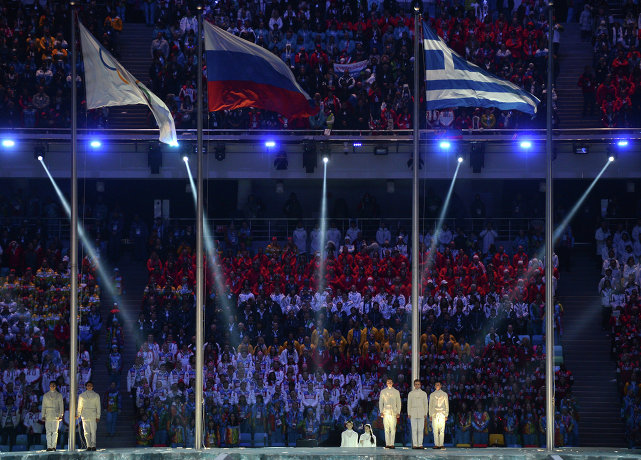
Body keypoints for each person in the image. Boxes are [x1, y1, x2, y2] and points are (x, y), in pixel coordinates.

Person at [77, 381, 101, 451]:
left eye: (90, 385)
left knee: (93, 431)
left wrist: (98, 416)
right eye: (88, 385)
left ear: (92, 386)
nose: (89, 387)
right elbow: (79, 406)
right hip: (85, 415)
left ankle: (93, 445)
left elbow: (98, 407)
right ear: (86, 386)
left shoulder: (96, 395)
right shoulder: (82, 395)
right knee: (86, 432)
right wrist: (78, 414)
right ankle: (88, 445)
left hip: (93, 415)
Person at [378, 378, 401, 448]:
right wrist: (381, 411)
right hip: (386, 412)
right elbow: (381, 402)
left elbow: (399, 403)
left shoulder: (396, 392)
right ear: (386, 383)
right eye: (388, 382)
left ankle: (392, 444)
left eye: (391, 382)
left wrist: (398, 412)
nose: (389, 383)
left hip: (393, 412)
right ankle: (387, 444)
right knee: (386, 429)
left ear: (393, 383)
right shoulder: (383, 391)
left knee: (393, 428)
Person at [42, 380, 64, 451]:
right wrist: (43, 415)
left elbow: (61, 406)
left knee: (55, 431)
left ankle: (54, 446)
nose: (52, 386)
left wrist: (61, 415)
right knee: (48, 431)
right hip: (48, 415)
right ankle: (49, 446)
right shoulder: (45, 395)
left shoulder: (59, 395)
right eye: (51, 385)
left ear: (56, 386)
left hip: (56, 415)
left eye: (54, 385)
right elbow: (43, 406)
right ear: (49, 386)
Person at [407, 378, 428, 449]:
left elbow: (426, 404)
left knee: (420, 429)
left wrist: (425, 413)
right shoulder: (411, 393)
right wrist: (409, 413)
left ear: (420, 385)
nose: (417, 385)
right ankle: (415, 444)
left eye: (418, 384)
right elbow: (409, 404)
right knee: (414, 429)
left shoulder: (424, 393)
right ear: (414, 385)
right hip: (413, 412)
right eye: (416, 384)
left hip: (421, 412)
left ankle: (420, 444)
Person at [429, 381, 449, 449]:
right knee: (435, 429)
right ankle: (436, 444)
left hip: (442, 414)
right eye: (436, 385)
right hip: (434, 413)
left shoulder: (444, 394)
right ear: (434, 386)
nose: (437, 386)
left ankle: (441, 444)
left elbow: (447, 405)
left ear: (441, 386)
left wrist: (446, 415)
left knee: (442, 430)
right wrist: (430, 415)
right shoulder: (432, 394)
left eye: (438, 385)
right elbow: (430, 405)